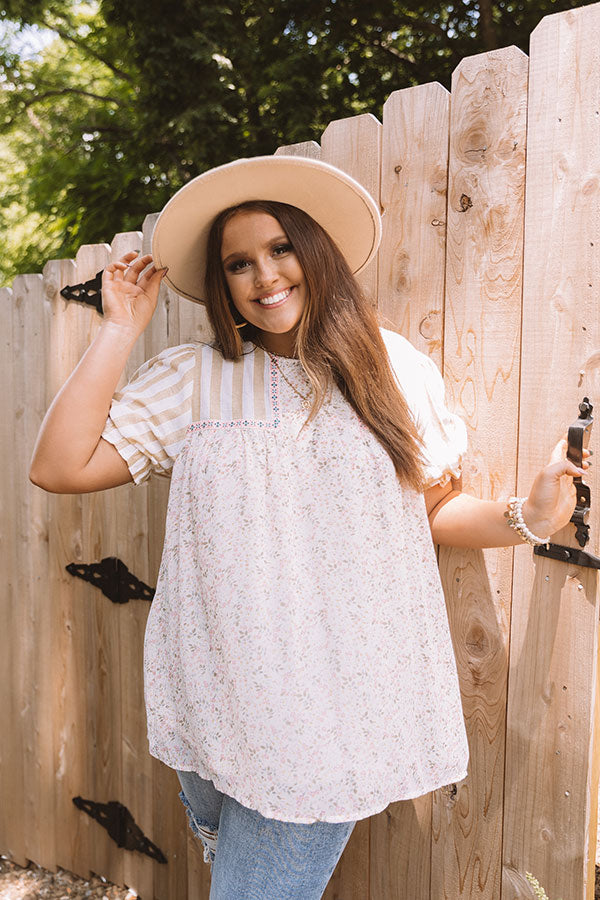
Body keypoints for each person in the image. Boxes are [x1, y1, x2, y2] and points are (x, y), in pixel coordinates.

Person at [29, 155, 589, 900]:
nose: (264, 276)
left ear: (316, 252)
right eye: (239, 263)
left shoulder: (395, 370)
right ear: (222, 283)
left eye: (281, 249)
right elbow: (59, 465)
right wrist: (119, 329)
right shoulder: (194, 378)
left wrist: (534, 516)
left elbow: (423, 512)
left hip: (332, 706)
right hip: (215, 694)